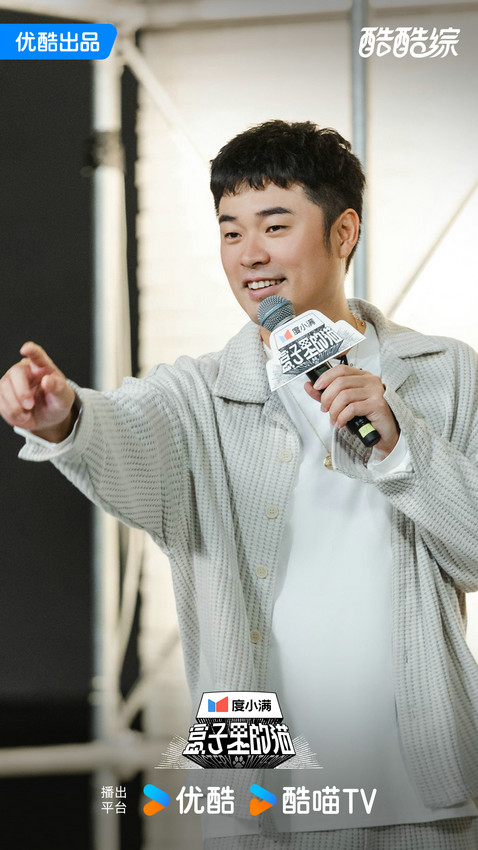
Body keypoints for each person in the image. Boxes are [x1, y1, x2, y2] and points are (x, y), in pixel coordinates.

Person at [1, 120, 477, 849]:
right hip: (260, 803)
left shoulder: (444, 374)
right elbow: (120, 435)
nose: (249, 254)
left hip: (423, 791)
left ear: (344, 232)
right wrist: (64, 418)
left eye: (274, 226)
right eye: (230, 232)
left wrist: (400, 445)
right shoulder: (197, 396)